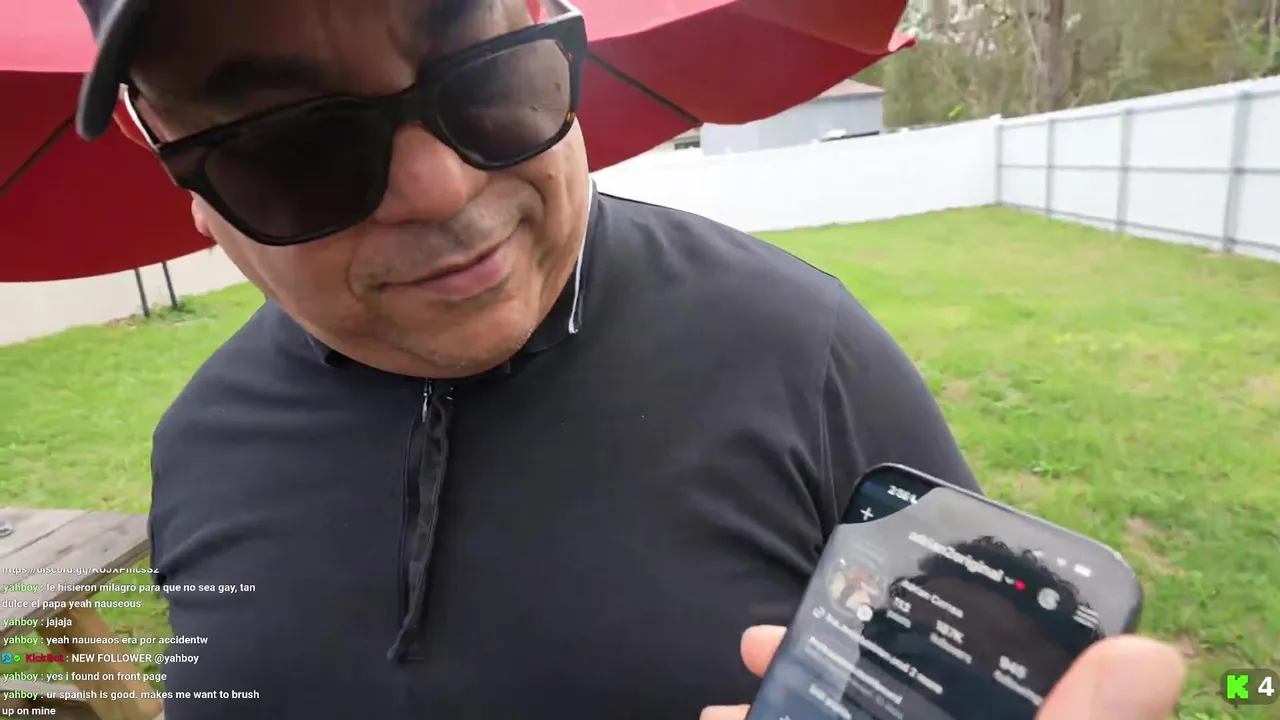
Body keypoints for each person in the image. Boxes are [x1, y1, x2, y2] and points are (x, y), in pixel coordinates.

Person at [70, 0, 1185, 717]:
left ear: (547, 29)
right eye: (292, 146)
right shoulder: (199, 445)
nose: (441, 188)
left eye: (483, 75)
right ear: (180, 176)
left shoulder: (803, 348)